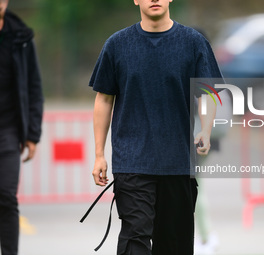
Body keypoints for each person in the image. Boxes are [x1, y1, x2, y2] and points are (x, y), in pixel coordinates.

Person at [88, 0, 221, 254]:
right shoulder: (117, 45)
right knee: (135, 238)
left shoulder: (193, 43)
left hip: (178, 164)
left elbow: (207, 93)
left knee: (174, 245)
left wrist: (205, 129)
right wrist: (98, 155)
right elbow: (104, 99)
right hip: (132, 163)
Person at [0, 1, 44, 255]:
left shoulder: (22, 38)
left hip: (8, 129)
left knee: (6, 196)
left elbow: (34, 88)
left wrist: (32, 134)